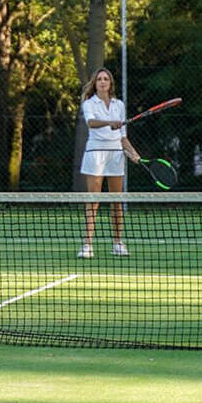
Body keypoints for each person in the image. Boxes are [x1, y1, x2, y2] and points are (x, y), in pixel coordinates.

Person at [77, 67, 140, 259]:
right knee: (93, 200)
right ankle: (87, 245)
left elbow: (122, 137)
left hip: (116, 154)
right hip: (95, 152)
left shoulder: (119, 105)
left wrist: (133, 153)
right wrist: (110, 122)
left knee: (117, 201)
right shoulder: (89, 103)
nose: (103, 82)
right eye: (99, 79)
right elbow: (91, 123)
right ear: (95, 84)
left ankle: (118, 243)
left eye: (106, 79)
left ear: (110, 83)